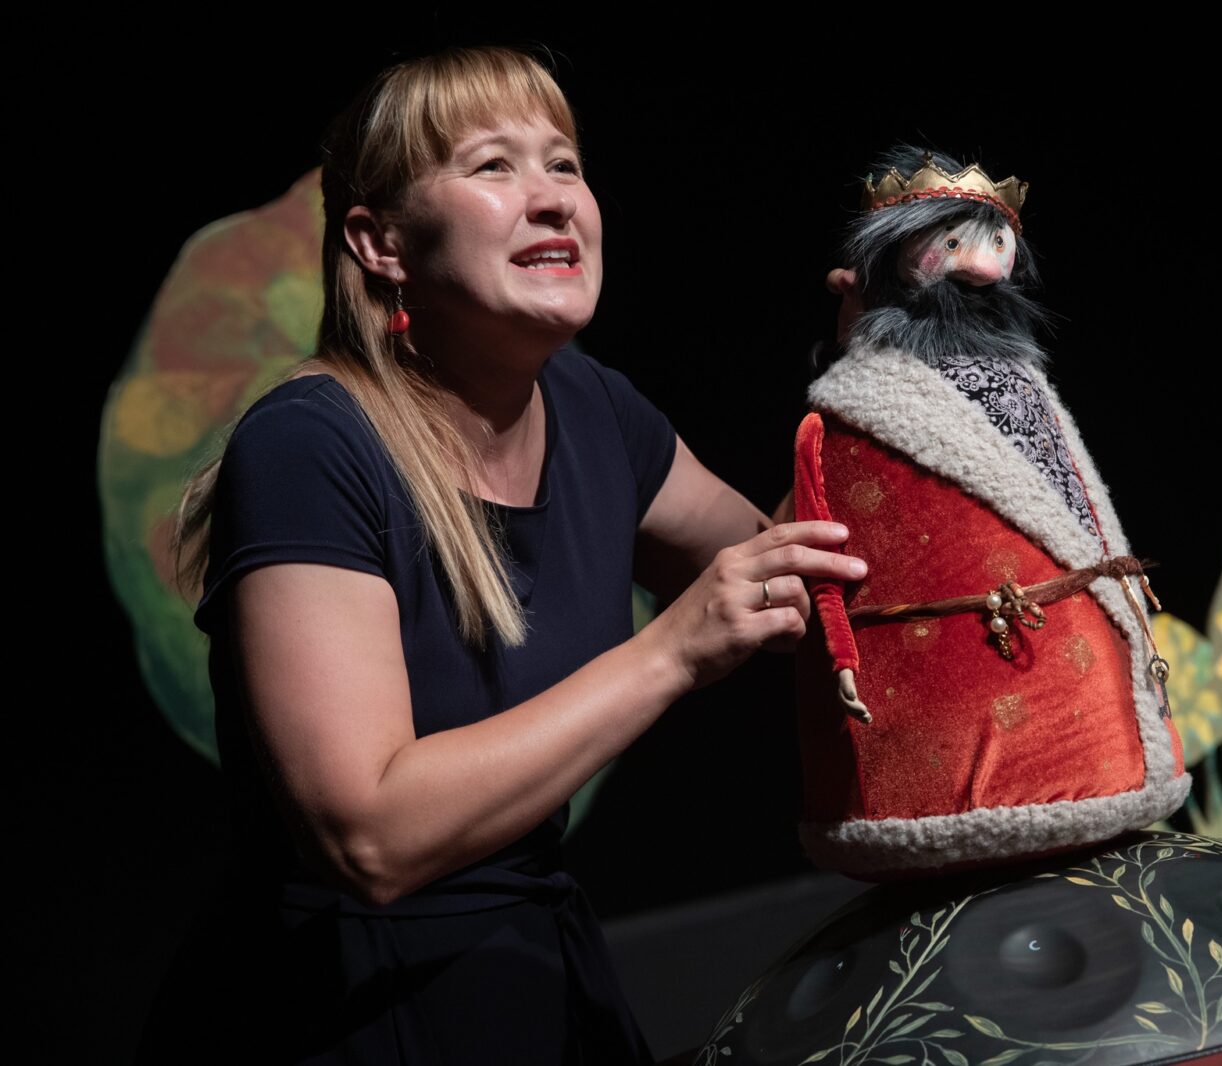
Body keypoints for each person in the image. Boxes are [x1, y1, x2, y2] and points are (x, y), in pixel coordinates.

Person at [142, 45, 865, 1064]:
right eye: (494, 165)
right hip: (346, 1013)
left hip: (530, 978)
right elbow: (371, 837)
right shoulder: (308, 446)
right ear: (381, 242)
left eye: (564, 164)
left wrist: (876, 362)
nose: (553, 197)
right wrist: (669, 651)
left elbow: (786, 571)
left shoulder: (594, 406)